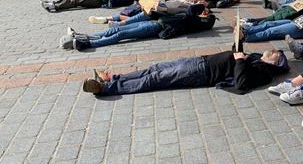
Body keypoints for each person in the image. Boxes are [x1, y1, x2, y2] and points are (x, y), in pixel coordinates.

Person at [82, 49, 289, 96]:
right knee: (153, 69)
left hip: (203, 72)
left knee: (155, 79)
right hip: (199, 61)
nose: (272, 50)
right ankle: (113, 77)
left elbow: (242, 83)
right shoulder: (255, 57)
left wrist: (240, 61)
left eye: (275, 53)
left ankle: (106, 88)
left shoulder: (264, 71)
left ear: (276, 62)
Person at [62, 4, 215, 50]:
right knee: (116, 29)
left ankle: (87, 43)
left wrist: (203, 8)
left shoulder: (198, 23)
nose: (203, 12)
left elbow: (191, 12)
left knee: (121, 36)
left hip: (156, 28)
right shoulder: (191, 16)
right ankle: (83, 36)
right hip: (154, 22)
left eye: (204, 12)